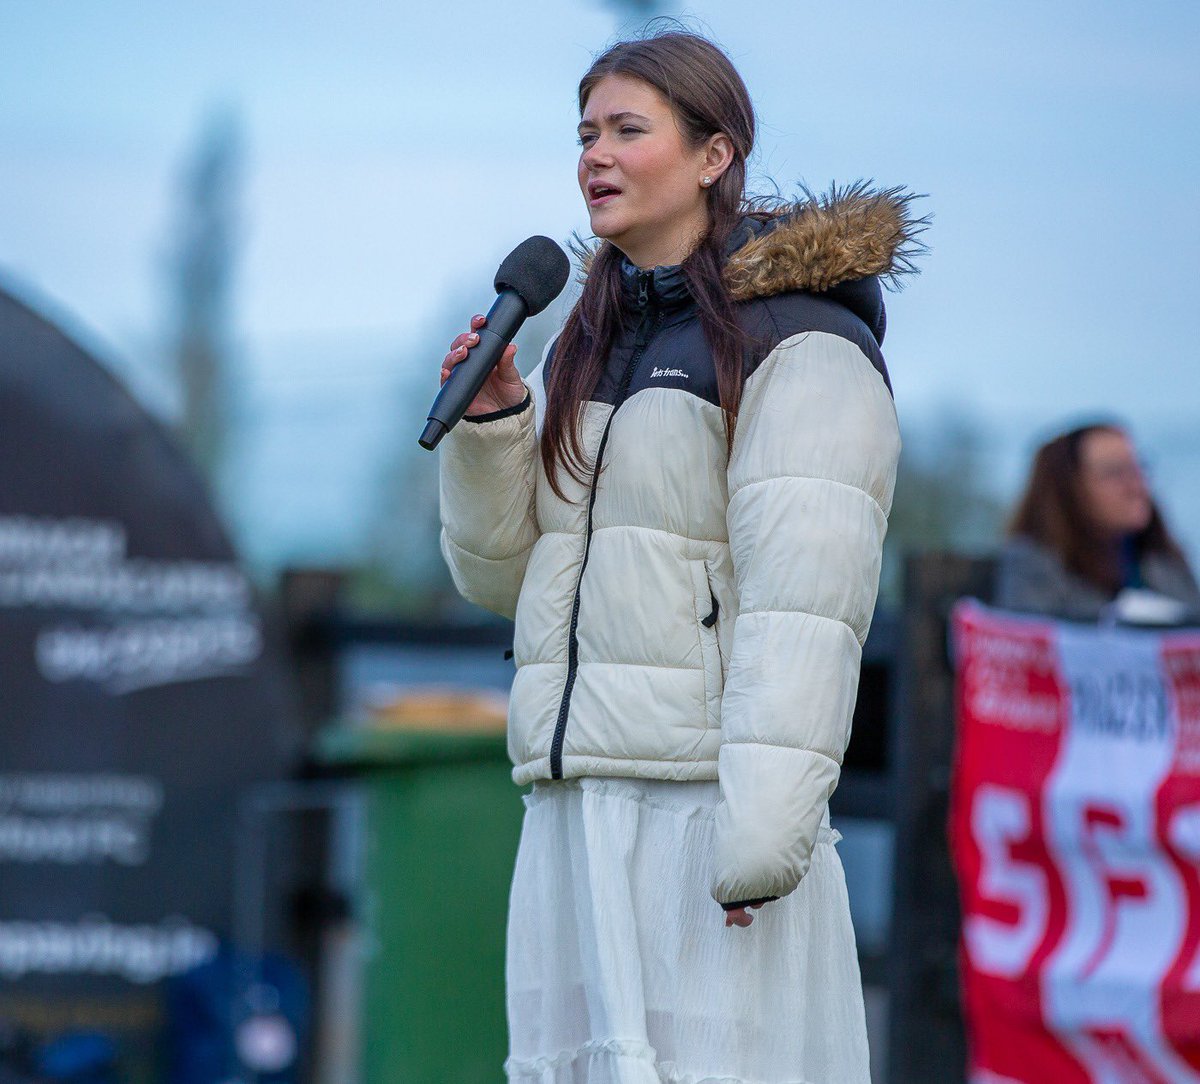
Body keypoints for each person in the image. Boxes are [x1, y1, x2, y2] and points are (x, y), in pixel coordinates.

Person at [437, 30, 922, 1083]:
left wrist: (761, 842)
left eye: (626, 130)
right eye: (584, 134)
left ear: (714, 154)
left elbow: (808, 606)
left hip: (703, 820)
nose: (594, 157)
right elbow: (509, 582)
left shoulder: (803, 339)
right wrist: (493, 427)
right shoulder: (587, 337)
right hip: (576, 811)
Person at [996, 422, 1200, 624]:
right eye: (1115, 472)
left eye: (1139, 468)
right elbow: (1036, 643)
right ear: (1068, 489)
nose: (1137, 485)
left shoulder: (1161, 560)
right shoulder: (1035, 562)